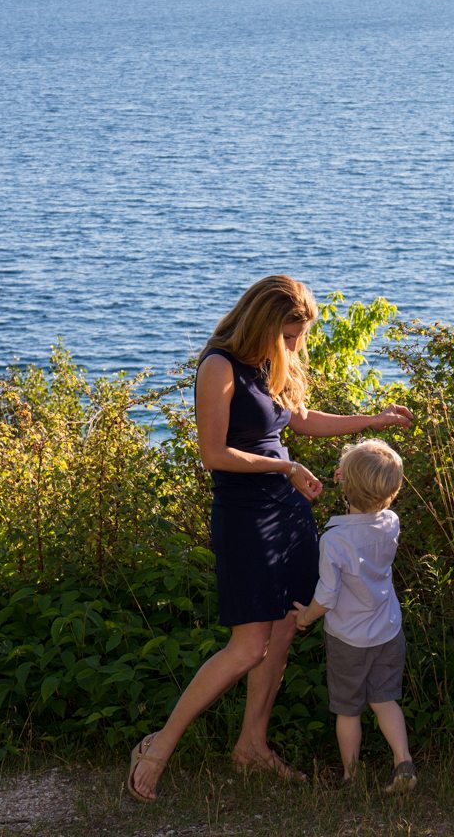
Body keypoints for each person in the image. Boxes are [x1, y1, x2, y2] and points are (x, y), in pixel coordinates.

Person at [127, 275, 412, 803]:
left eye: (299, 336)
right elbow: (214, 453)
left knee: (283, 633)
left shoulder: (271, 361)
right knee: (248, 647)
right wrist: (285, 468)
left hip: (288, 511)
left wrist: (374, 419)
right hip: (245, 516)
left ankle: (251, 746)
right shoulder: (219, 366)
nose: (296, 345)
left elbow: (301, 421)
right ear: (262, 322)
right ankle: (159, 745)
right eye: (289, 335)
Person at [291, 438, 417, 795]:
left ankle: (351, 777)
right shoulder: (391, 522)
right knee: (384, 700)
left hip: (348, 638)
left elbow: (327, 596)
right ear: (393, 490)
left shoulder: (335, 539)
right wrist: (352, 479)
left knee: (348, 710)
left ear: (345, 484)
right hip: (387, 630)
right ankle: (403, 761)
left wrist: (306, 617)